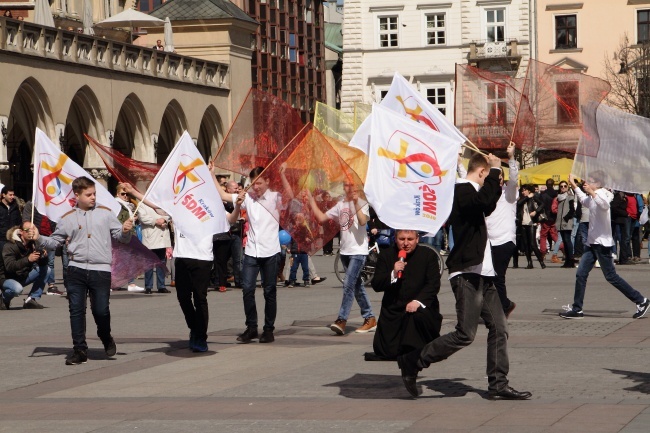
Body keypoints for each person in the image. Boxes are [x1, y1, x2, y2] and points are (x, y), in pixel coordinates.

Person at [396, 152, 532, 400]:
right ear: (481, 172)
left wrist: (494, 173)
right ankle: (413, 361)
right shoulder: (461, 190)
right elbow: (484, 202)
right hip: (466, 273)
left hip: (483, 272)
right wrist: (494, 171)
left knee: (500, 328)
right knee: (465, 334)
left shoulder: (471, 191)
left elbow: (488, 202)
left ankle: (498, 384)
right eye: (487, 176)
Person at [32, 176, 133, 365]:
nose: (93, 197)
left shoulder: (105, 213)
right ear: (77, 195)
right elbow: (55, 242)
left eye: (94, 193)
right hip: (75, 269)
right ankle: (79, 349)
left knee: (101, 310)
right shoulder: (67, 218)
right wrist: (39, 238)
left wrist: (126, 230)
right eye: (89, 194)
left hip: (100, 269)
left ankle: (105, 336)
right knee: (76, 310)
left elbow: (120, 237)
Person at [560, 173, 650, 319]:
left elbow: (604, 205)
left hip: (602, 244)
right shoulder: (593, 195)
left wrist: (591, 192)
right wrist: (574, 185)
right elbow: (584, 201)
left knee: (611, 276)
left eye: (590, 181)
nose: (586, 183)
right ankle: (577, 309)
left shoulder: (603, 194)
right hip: (592, 243)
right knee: (581, 274)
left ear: (599, 183)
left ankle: (641, 300)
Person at [215, 165, 288, 344]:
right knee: (247, 289)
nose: (256, 187)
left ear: (268, 182)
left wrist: (283, 174)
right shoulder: (247, 197)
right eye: (254, 183)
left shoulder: (275, 197)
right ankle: (252, 327)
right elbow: (224, 196)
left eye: (260, 183)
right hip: (252, 251)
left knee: (269, 291)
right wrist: (211, 174)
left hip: (270, 251)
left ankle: (269, 329)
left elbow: (290, 195)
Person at [309, 181, 377, 335]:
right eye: (346, 185)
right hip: (345, 251)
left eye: (352, 185)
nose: (349, 188)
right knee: (356, 285)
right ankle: (370, 318)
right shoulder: (340, 204)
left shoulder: (362, 202)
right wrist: (310, 199)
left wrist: (355, 203)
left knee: (348, 285)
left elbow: (362, 221)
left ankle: (342, 319)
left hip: (358, 251)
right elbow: (322, 217)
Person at [371, 229, 442, 360]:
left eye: (410, 239)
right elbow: (376, 285)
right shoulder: (386, 255)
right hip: (394, 308)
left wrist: (418, 301)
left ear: (417, 239)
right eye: (401, 239)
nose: (405, 243)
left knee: (415, 348)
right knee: (388, 351)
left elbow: (433, 284)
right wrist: (393, 272)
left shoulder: (428, 255)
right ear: (395, 239)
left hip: (419, 307)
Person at [486, 142, 518, 317]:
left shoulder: (509, 193)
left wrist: (511, 158)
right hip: (489, 241)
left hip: (504, 240)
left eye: (499, 177)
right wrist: (460, 163)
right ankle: (498, 307)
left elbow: (514, 178)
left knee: (497, 277)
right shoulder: (487, 193)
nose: (496, 180)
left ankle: (505, 306)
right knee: (488, 277)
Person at [0, 222, 51, 310]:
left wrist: (43, 257)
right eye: (28, 230)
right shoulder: (10, 245)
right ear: (21, 232)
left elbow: (42, 264)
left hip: (23, 275)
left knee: (47, 270)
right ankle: (4, 298)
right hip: (7, 278)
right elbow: (9, 266)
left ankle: (31, 299)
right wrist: (28, 260)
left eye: (33, 230)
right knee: (17, 289)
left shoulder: (33, 244)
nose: (31, 232)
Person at [22, 201, 65, 295]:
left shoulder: (52, 204)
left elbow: (56, 220)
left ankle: (51, 285)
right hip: (36, 236)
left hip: (50, 236)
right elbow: (25, 220)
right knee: (36, 262)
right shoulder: (31, 204)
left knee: (50, 262)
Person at [114, 186, 145, 292]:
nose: (125, 196)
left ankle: (119, 283)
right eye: (123, 194)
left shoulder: (128, 205)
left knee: (125, 260)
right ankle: (130, 284)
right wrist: (129, 220)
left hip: (128, 234)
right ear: (117, 194)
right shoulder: (118, 205)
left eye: (127, 194)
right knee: (125, 260)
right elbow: (118, 220)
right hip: (123, 234)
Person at [517, 184, 546, 269]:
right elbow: (519, 204)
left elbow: (542, 204)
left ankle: (541, 261)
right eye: (522, 191)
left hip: (532, 223)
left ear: (529, 190)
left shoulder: (534, 197)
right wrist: (527, 197)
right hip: (523, 223)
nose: (523, 192)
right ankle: (529, 263)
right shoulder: (522, 199)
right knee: (526, 244)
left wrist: (536, 212)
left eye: (525, 190)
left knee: (533, 244)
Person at [556, 181, 576, 268]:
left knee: (568, 241)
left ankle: (570, 260)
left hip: (566, 222)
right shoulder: (559, 197)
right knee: (564, 241)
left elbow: (572, 209)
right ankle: (567, 260)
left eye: (565, 186)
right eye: (561, 186)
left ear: (568, 187)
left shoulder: (570, 196)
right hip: (560, 222)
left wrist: (566, 218)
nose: (563, 187)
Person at [538, 178, 558, 260]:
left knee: (543, 235)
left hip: (545, 217)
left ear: (546, 185)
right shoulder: (556, 194)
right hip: (554, 216)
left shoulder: (542, 194)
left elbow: (540, 206)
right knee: (554, 235)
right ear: (553, 185)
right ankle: (563, 248)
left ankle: (543, 253)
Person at [0, 186, 22, 252]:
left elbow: (19, 222)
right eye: (10, 195)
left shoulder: (15, 208)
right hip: (1, 240)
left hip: (13, 239)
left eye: (13, 195)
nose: (12, 197)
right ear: (4, 195)